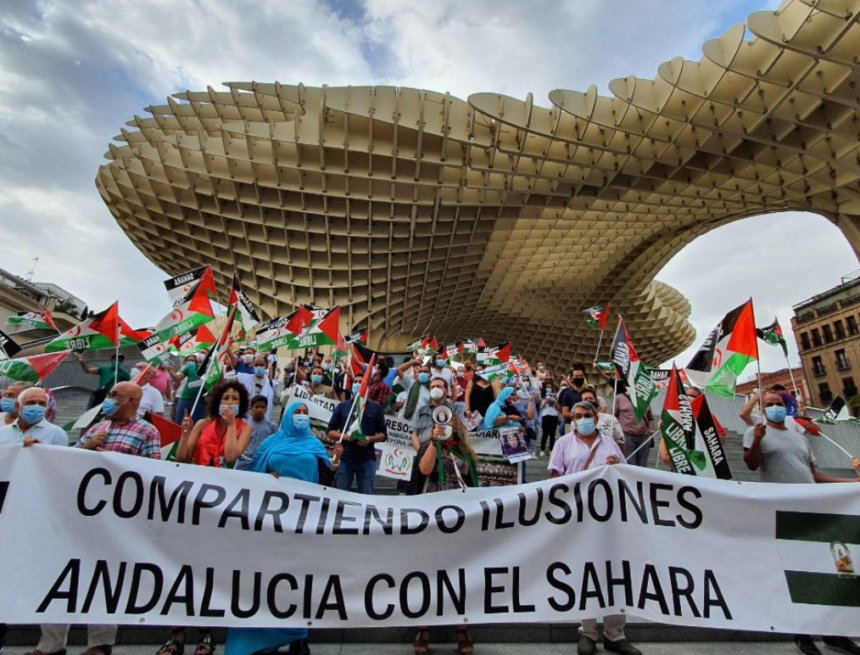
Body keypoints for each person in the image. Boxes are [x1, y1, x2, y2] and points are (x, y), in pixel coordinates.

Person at [743, 391, 860, 655]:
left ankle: (834, 633)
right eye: (769, 405)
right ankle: (802, 633)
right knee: (796, 573)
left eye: (778, 404)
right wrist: (757, 441)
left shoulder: (799, 438)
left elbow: (812, 474)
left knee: (825, 569)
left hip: (812, 508)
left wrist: (851, 483)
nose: (775, 407)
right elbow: (751, 465)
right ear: (762, 409)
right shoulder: (755, 433)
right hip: (783, 508)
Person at [226, 402, 342, 655]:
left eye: (305, 413)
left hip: (305, 521)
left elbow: (326, 481)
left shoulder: (315, 445)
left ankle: (298, 635)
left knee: (300, 578)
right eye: (297, 412)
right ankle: (263, 636)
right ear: (287, 416)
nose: (301, 416)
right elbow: (254, 475)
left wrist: (334, 463)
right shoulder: (270, 443)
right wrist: (267, 479)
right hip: (273, 522)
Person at [548, 401, 640, 655]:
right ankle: (587, 631)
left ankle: (615, 633)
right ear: (573, 420)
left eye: (587, 415)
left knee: (614, 572)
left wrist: (615, 466)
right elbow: (555, 478)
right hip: (578, 517)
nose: (583, 420)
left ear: (596, 418)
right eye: (578, 416)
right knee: (584, 572)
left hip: (609, 516)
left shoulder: (610, 444)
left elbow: (625, 475)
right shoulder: (563, 444)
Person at [413, 415, 478, 655]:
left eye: (447, 425)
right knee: (428, 574)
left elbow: (473, 485)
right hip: (431, 521)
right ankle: (424, 628)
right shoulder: (429, 449)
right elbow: (425, 469)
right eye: (438, 425)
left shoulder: (464, 453)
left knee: (459, 575)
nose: (442, 428)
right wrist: (434, 442)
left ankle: (462, 629)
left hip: (459, 522)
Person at [327, 372, 387, 494]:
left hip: (366, 458)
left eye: (361, 382)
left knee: (366, 495)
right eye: (356, 382)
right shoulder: (342, 407)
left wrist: (369, 439)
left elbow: (383, 435)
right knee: (340, 494)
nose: (358, 384)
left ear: (368, 386)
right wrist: (346, 437)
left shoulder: (376, 408)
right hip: (344, 457)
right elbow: (330, 432)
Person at [175, 380, 252, 468]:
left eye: (235, 399)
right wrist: (185, 433)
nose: (230, 402)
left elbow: (230, 458)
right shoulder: (202, 424)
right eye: (225, 398)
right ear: (218, 402)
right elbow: (181, 459)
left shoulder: (245, 428)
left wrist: (231, 425)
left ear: (240, 403)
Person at [76, 382, 161, 457]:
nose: (107, 400)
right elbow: (71, 455)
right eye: (108, 395)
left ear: (130, 400)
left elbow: (151, 466)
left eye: (113, 395)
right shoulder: (97, 428)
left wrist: (115, 459)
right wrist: (87, 446)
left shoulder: (148, 431)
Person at [0, 387, 68, 447]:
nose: (37, 406)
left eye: (42, 404)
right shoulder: (2, 431)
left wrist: (40, 449)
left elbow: (60, 457)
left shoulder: (58, 434)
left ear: (46, 407)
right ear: (17, 406)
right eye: (31, 403)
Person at [410, 378, 464, 451]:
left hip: (448, 451)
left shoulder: (457, 410)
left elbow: (462, 433)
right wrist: (421, 452)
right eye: (432, 387)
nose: (435, 389)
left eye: (438, 386)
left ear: (446, 391)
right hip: (424, 450)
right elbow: (414, 435)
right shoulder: (422, 410)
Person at [613, 381, 654, 467]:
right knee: (630, 463)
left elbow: (650, 417)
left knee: (643, 464)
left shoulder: (645, 399)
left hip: (644, 437)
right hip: (626, 436)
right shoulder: (619, 398)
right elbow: (613, 417)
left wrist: (650, 430)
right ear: (625, 386)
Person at [234, 395, 278, 471]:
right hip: (243, 462)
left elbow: (274, 446)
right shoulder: (244, 424)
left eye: (262, 407)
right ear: (250, 408)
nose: (259, 409)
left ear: (266, 409)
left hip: (262, 462)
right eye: (257, 407)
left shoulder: (272, 426)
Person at [235, 354, 276, 420]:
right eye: (256, 365)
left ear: (266, 366)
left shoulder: (271, 384)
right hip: (247, 419)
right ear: (253, 365)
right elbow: (227, 379)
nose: (259, 367)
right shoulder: (245, 378)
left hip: (263, 420)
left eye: (261, 365)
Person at [171, 353, 207, 424]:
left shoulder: (209, 369)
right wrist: (170, 371)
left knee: (196, 423)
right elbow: (177, 378)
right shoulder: (190, 368)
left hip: (199, 400)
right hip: (185, 398)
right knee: (180, 422)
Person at [539, 389, 559, 456]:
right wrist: (545, 402)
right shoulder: (544, 399)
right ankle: (542, 449)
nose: (550, 397)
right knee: (545, 433)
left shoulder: (556, 399)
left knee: (552, 434)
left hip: (554, 416)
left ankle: (551, 449)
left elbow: (558, 408)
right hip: (545, 415)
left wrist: (555, 403)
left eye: (552, 396)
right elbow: (540, 407)